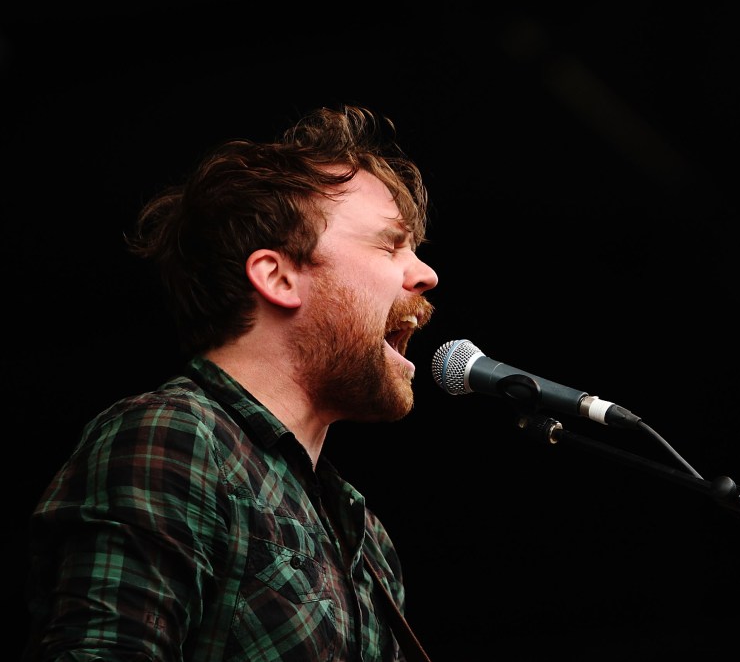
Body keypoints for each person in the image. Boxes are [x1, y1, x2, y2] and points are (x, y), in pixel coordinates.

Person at [22, 105, 440, 661]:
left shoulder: (364, 535)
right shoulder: (174, 437)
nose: (425, 275)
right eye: (390, 245)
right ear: (278, 276)